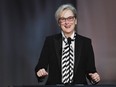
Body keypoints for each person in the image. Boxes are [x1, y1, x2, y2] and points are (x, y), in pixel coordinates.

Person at [35, 4, 100, 85]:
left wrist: (94, 77)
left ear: (75, 20)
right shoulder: (50, 41)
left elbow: (91, 71)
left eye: (70, 18)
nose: (67, 22)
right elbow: (40, 67)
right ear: (59, 23)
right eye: (63, 19)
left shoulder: (85, 42)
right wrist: (40, 72)